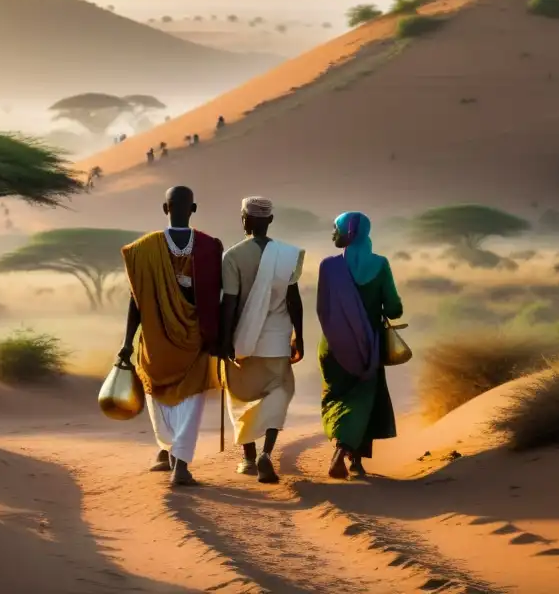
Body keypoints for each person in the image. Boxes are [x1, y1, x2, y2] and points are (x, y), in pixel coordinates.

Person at [119, 186, 224, 487]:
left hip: (155, 341)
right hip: (197, 340)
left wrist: (127, 342)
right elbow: (220, 298)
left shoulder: (144, 249)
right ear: (194, 209)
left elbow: (135, 301)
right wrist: (220, 336)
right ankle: (179, 463)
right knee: (192, 401)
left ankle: (167, 448)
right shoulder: (209, 246)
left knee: (160, 397)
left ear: (165, 209)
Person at [220, 197, 304, 483]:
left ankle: (248, 458)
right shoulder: (287, 255)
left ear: (244, 220)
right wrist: (299, 337)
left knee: (243, 398)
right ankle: (266, 453)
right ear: (269, 221)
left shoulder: (232, 256)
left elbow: (229, 303)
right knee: (277, 394)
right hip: (277, 342)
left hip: (242, 342)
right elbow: (294, 301)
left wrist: (224, 339)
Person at [315, 211, 403, 480]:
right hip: (368, 348)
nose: (333, 234)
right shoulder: (380, 264)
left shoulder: (328, 266)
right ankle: (349, 457)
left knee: (338, 397)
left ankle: (348, 455)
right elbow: (394, 308)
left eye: (337, 229)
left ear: (349, 233)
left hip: (333, 348)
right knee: (364, 399)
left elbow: (323, 309)